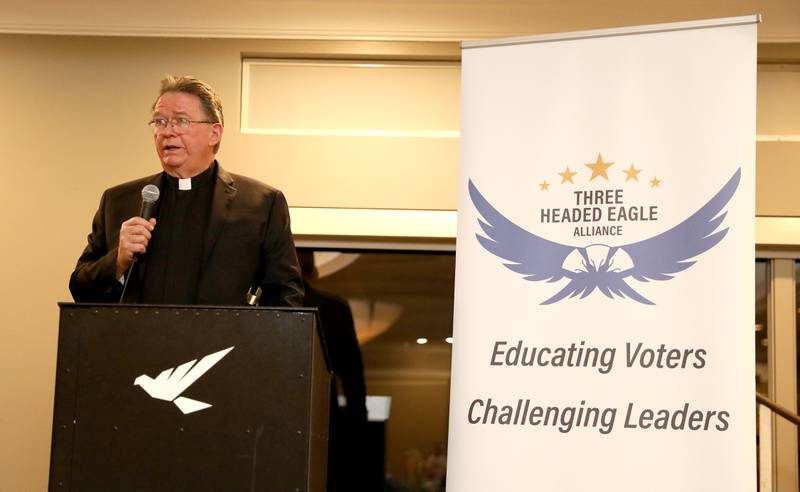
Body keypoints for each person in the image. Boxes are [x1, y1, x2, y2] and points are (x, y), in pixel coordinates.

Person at [69, 75, 303, 306]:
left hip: (224, 343)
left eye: (181, 121)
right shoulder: (118, 201)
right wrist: (118, 260)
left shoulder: (260, 204)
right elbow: (80, 289)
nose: (167, 132)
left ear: (215, 133)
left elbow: (286, 297)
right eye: (159, 122)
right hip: (136, 342)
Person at [297, 250, 368, 491]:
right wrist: (356, 434)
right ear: (313, 270)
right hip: (324, 417)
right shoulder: (333, 309)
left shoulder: (261, 308)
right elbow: (353, 378)